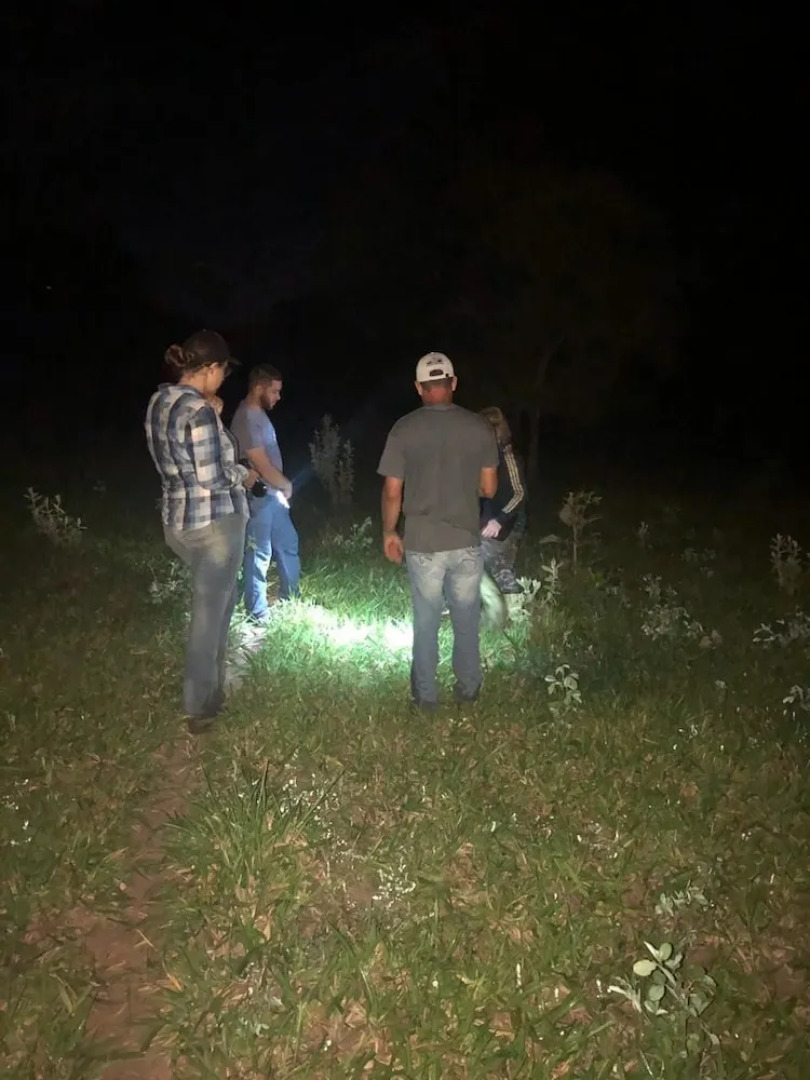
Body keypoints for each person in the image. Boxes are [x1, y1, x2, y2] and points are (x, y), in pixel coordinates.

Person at [145, 329, 258, 734]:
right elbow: (214, 477)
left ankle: (211, 691)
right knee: (210, 615)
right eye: (223, 371)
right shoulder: (200, 412)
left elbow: (185, 458)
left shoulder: (159, 401)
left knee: (218, 606)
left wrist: (215, 414)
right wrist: (245, 474)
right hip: (214, 524)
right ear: (209, 368)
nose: (224, 378)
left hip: (177, 522)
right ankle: (201, 706)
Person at [378, 352, 498, 711]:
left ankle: (426, 698)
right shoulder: (480, 428)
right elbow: (489, 489)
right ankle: (468, 689)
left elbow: (392, 490)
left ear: (418, 387)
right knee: (465, 619)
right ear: (453, 383)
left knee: (427, 621)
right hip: (465, 541)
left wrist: (389, 531)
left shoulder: (404, 428)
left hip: (423, 543)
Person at [230, 364, 300, 622]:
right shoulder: (246, 418)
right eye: (274, 391)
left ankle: (291, 599)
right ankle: (256, 612)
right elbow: (260, 463)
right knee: (259, 552)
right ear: (259, 387)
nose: (278, 397)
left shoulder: (258, 414)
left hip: (273, 496)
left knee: (288, 544)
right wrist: (286, 484)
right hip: (261, 497)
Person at [478, 406, 528, 596]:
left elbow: (520, 495)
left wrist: (499, 520)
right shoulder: (483, 457)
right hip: (488, 519)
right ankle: (509, 594)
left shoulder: (509, 458)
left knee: (478, 557)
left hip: (509, 521)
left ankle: (509, 597)